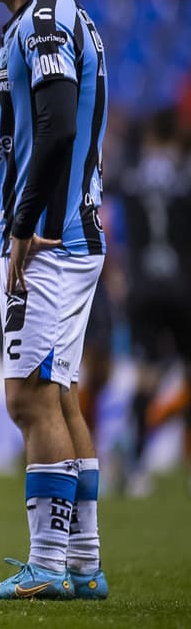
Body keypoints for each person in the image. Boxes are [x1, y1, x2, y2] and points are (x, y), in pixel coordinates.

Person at [0, 0, 109, 600]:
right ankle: (82, 563)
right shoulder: (49, 20)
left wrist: (23, 225)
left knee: (29, 400)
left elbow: (53, 127)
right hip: (70, 235)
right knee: (60, 396)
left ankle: (48, 567)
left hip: (49, 240)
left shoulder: (47, 22)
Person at [116, 109, 191, 496]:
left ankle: (136, 466)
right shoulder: (185, 176)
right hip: (181, 285)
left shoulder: (131, 177)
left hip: (143, 287)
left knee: (145, 376)